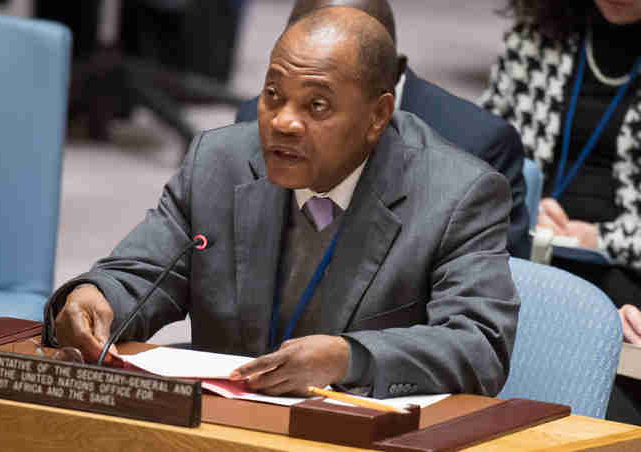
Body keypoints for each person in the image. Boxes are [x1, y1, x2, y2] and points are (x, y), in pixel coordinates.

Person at [45, 6, 519, 398]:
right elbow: (143, 273)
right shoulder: (221, 161)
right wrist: (97, 296)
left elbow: (478, 344)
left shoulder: (457, 194)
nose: (282, 123)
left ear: (378, 116)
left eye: (316, 106)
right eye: (273, 95)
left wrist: (349, 357)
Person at [236, 0, 531, 260]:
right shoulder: (253, 120)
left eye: (317, 102)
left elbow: (484, 301)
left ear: (394, 72)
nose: (284, 122)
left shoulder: (474, 148)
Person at [480, 0, 641, 424]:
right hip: (527, 241)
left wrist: (601, 239)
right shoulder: (537, 35)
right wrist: (521, 203)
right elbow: (482, 147)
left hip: (626, 268)